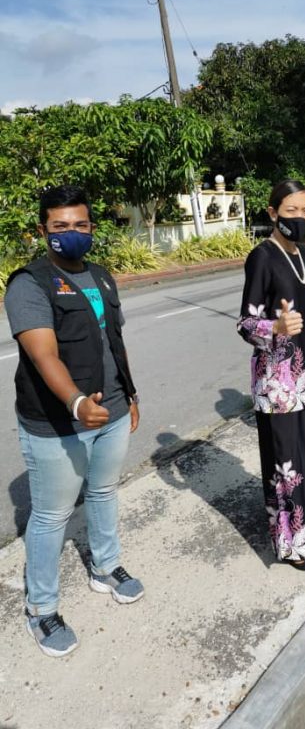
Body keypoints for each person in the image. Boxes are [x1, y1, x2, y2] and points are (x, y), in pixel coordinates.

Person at [4, 185, 143, 658]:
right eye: (60, 226)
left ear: (92, 228)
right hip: (57, 421)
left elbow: (114, 342)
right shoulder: (29, 283)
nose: (71, 234)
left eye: (79, 225)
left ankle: (106, 566)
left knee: (103, 492)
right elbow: (43, 355)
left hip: (114, 410)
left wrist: (131, 394)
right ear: (43, 230)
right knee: (50, 515)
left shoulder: (101, 276)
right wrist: (77, 402)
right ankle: (41, 608)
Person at [237, 179, 305, 572]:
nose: (300, 218)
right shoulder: (262, 256)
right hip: (277, 385)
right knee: (287, 465)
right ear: (273, 212)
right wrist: (274, 328)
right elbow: (245, 322)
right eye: (291, 210)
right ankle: (292, 544)